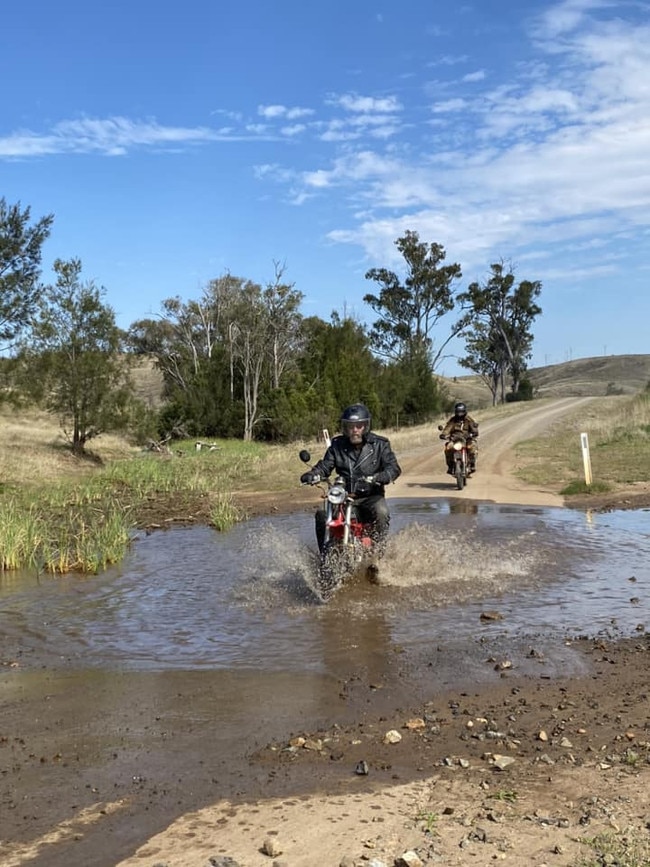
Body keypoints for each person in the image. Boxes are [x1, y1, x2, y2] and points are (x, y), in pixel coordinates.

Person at [300, 403, 401, 554]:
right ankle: (325, 555)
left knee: (382, 511)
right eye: (351, 426)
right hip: (343, 496)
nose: (355, 430)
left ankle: (379, 553)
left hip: (371, 496)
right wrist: (314, 474)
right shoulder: (337, 445)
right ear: (345, 428)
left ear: (365, 426)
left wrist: (381, 476)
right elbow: (325, 465)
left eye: (359, 426)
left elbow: (393, 468)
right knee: (321, 515)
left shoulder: (380, 444)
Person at [439, 402, 479, 474]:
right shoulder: (453, 420)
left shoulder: (468, 419)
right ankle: (450, 466)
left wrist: (474, 432)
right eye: (458, 412)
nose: (459, 414)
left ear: (464, 411)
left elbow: (474, 427)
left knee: (472, 447)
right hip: (455, 439)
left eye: (461, 412)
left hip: (467, 439)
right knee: (448, 448)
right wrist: (443, 434)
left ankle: (472, 464)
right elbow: (448, 428)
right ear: (455, 412)